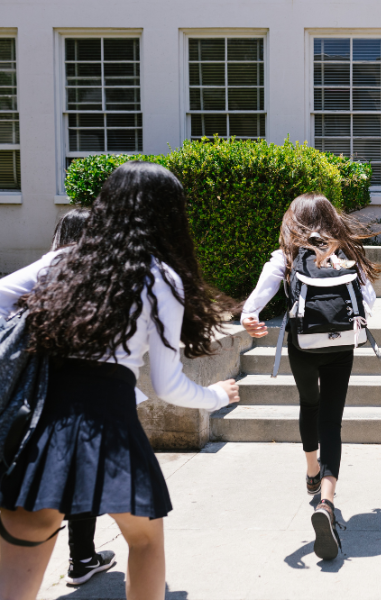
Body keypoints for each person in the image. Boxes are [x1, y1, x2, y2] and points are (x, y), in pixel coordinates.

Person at [0, 161, 241, 600]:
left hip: (38, 428)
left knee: (20, 565)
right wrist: (215, 396)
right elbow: (168, 387)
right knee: (145, 541)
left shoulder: (61, 261)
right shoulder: (159, 277)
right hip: (108, 426)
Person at [240, 192, 380, 561]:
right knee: (331, 421)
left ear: (294, 219)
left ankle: (311, 470)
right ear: (332, 218)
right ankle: (327, 504)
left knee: (309, 404)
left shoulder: (286, 257)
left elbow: (260, 295)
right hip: (341, 346)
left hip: (303, 345)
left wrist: (250, 316)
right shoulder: (347, 253)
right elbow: (369, 302)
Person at [45, 208, 120, 586]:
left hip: (36, 401)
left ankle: (78, 557)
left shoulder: (39, 277)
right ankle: (82, 558)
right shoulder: (96, 287)